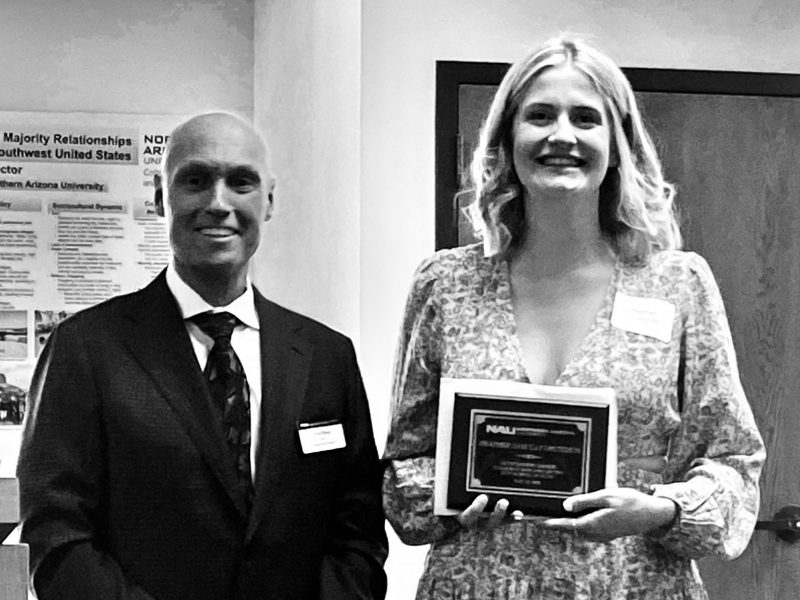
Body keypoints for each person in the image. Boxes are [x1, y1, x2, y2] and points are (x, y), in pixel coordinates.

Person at [382, 35, 765, 599]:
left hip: (632, 584)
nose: (562, 135)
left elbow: (733, 464)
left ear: (617, 144)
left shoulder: (678, 284)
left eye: (586, 118)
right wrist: (454, 493)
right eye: (540, 116)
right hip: (479, 583)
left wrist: (659, 509)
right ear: (507, 138)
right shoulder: (446, 285)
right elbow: (404, 467)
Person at [18, 111, 388, 600]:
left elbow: (358, 533)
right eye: (195, 181)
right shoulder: (84, 349)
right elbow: (56, 536)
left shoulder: (327, 357)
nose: (218, 203)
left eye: (241, 182)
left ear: (269, 200)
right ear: (160, 197)